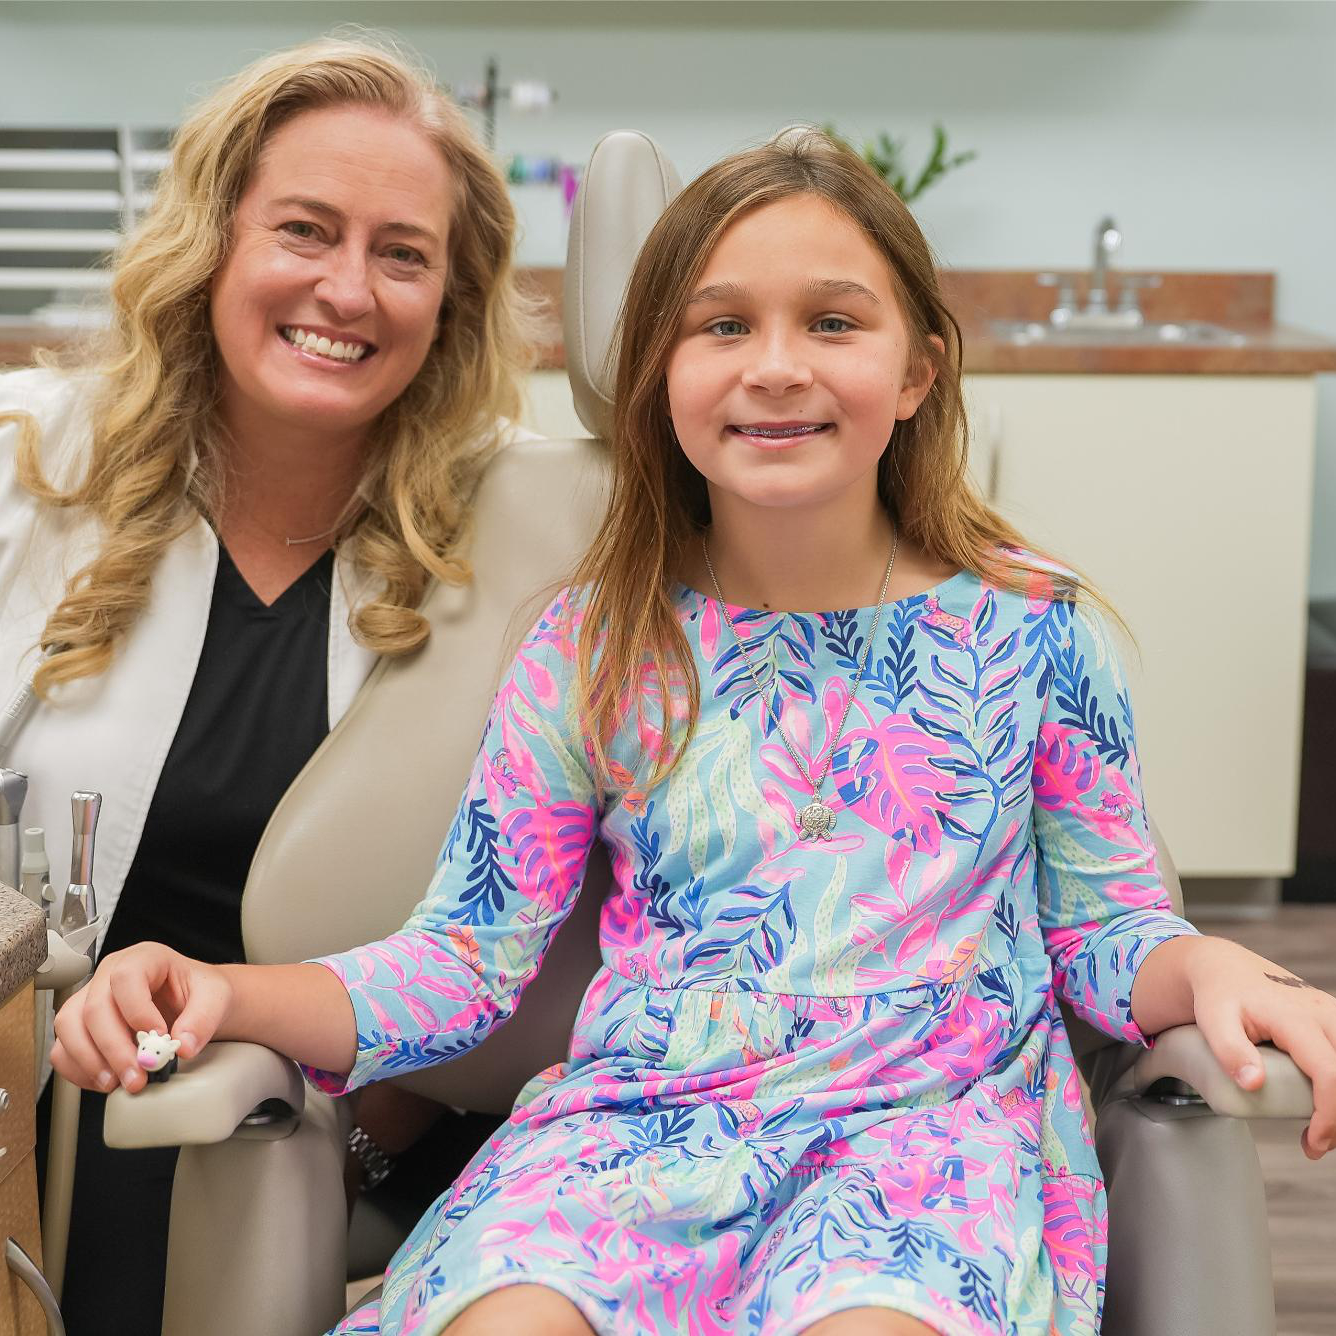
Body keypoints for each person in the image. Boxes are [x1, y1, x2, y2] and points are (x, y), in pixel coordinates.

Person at [51, 128, 1336, 1336]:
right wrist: (222, 987)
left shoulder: (1033, 629)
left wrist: (1214, 965)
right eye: (722, 326)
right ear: (661, 371)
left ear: (918, 367)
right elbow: (465, 963)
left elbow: (1105, 936)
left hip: (927, 1141)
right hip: (633, 1131)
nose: (775, 365)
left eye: (832, 322)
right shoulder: (591, 645)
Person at [3, 35, 535, 1334]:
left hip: (364, 1127)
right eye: (305, 230)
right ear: (214, 242)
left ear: (450, 303)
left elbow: (543, 918)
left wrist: (367, 1124)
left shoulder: (524, 540)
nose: (347, 288)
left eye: (402, 254)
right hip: (41, 1097)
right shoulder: (29, 466)